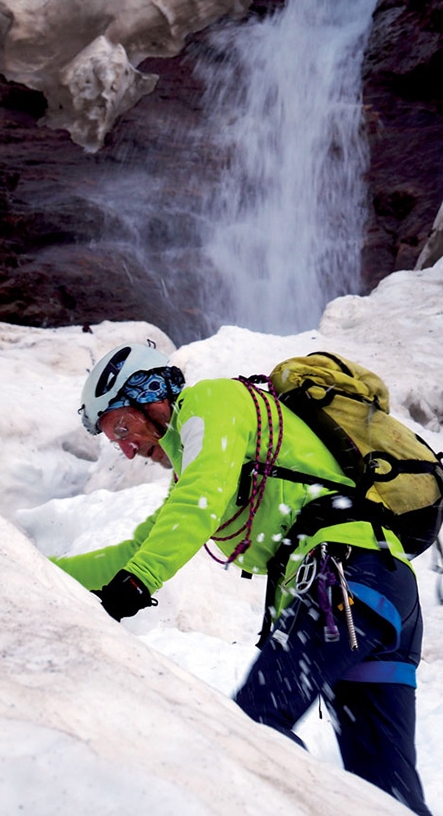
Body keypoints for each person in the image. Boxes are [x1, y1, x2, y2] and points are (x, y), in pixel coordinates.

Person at [52, 341, 432, 816]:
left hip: (345, 577)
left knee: (256, 729)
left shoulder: (212, 402)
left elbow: (198, 504)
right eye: (115, 440)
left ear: (151, 396)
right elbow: (138, 547)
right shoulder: (200, 461)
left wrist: (136, 585)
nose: (126, 449)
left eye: (123, 427)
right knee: (385, 787)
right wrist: (33, 568)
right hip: (381, 592)